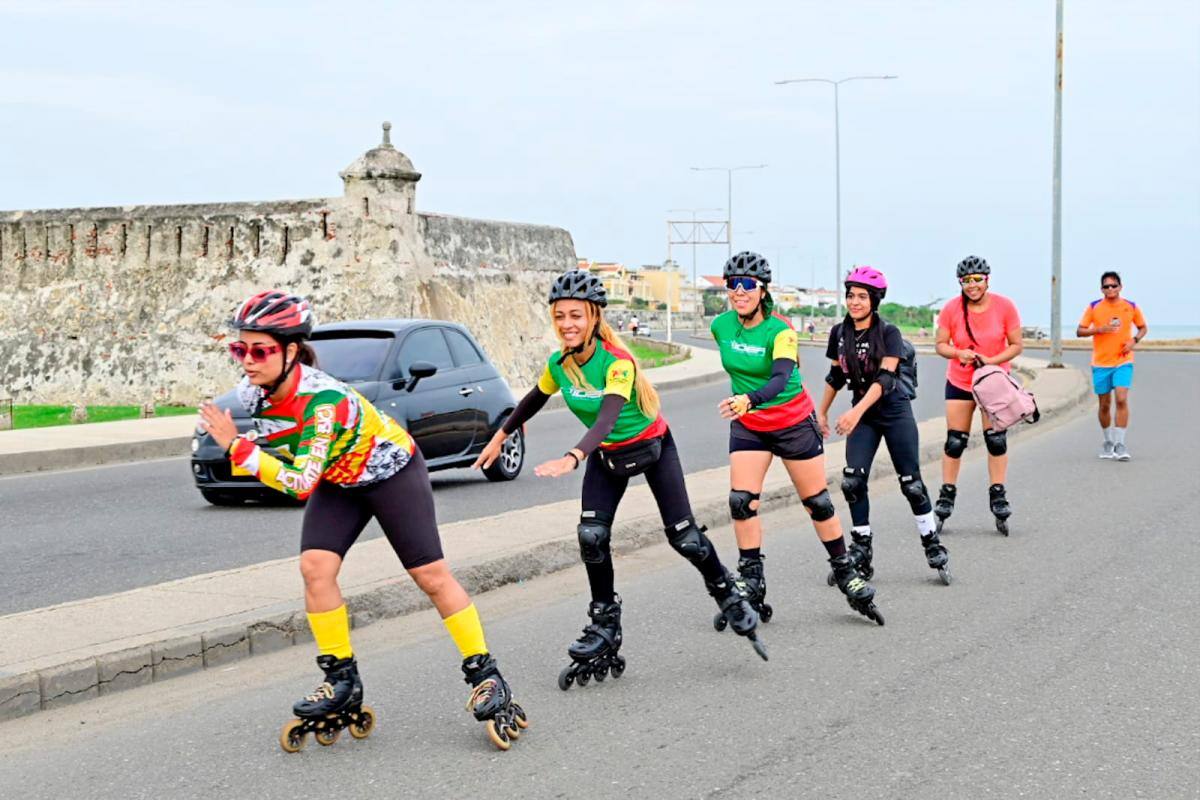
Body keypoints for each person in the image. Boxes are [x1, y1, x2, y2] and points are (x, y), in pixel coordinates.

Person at [199, 290, 527, 752]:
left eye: (259, 350)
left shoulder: (323, 402)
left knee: (430, 576)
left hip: (390, 472)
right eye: (240, 349)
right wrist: (237, 442)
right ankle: (341, 680)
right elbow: (294, 460)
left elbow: (298, 484)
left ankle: (486, 674)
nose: (247, 360)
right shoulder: (255, 393)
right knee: (315, 568)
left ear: (292, 351)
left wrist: (239, 448)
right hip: (341, 477)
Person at [473, 270, 766, 689]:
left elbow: (609, 414)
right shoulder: (559, 364)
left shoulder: (618, 362)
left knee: (684, 538)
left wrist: (573, 455)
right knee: (591, 536)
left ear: (593, 317)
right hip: (607, 458)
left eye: (576, 315)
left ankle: (727, 593)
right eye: (560, 316)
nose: (567, 324)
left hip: (651, 448)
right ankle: (605, 623)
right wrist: (500, 437)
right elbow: (533, 400)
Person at [711, 251, 883, 625]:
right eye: (732, 285)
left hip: (791, 422)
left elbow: (779, 377)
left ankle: (845, 573)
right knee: (742, 502)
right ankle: (751, 581)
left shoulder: (781, 330)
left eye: (747, 286)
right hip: (750, 425)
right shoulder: (721, 326)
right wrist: (747, 406)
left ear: (762, 290)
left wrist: (748, 399)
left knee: (816, 503)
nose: (738, 292)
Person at [816, 266, 950, 585]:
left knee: (911, 484)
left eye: (862, 296)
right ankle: (861, 549)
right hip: (864, 416)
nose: (855, 302)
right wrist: (821, 412)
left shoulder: (888, 333)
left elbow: (886, 378)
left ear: (875, 300)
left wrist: (855, 412)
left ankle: (932, 542)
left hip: (893, 411)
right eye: (851, 295)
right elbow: (836, 377)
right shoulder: (839, 333)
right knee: (852, 481)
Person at [933, 256, 1024, 535]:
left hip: (993, 382)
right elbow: (940, 344)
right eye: (966, 281)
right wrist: (958, 353)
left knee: (995, 440)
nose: (972, 286)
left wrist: (993, 360)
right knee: (955, 441)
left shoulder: (1005, 306)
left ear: (987, 279)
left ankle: (997, 494)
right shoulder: (951, 308)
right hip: (960, 381)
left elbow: (1017, 345)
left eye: (977, 280)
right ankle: (947, 495)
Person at [1076, 270, 1148, 461]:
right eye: (1106, 286)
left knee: (1122, 398)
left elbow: (1143, 327)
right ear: (1101, 289)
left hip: (1123, 361)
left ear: (1120, 287)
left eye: (1113, 285)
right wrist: (1098, 329)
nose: (1110, 289)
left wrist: (1134, 341)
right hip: (1101, 363)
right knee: (1105, 404)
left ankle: (1120, 444)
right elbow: (1079, 331)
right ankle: (1108, 442)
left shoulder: (1130, 306)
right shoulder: (1094, 307)